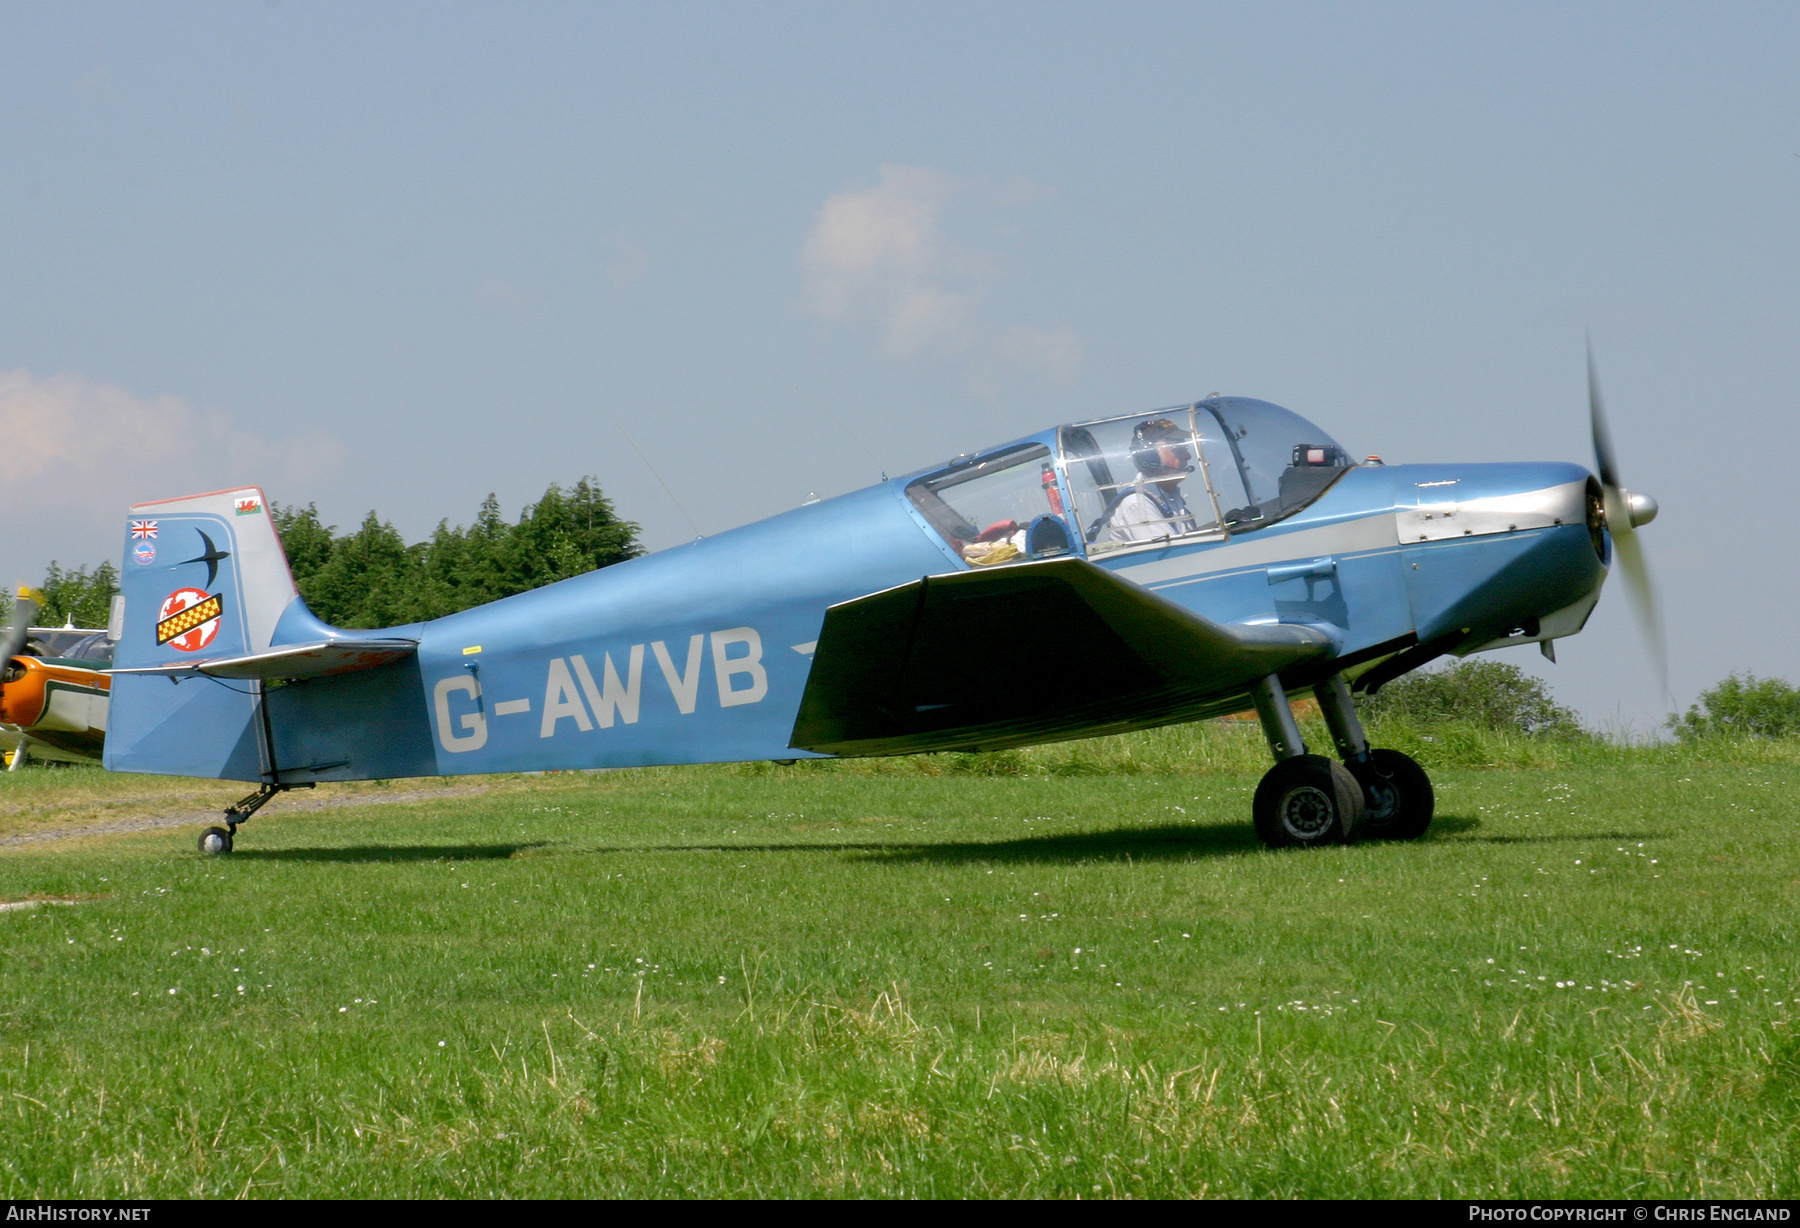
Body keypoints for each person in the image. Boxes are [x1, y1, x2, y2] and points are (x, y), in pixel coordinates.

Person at [1105, 418, 1200, 542]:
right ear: (1150, 458)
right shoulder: (1138, 504)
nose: (1188, 456)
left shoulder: (1170, 497)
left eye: (1185, 449)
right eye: (1178, 450)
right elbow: (1173, 554)